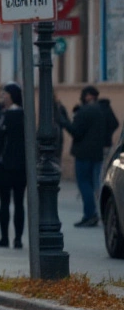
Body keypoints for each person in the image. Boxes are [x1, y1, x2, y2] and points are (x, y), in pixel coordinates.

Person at [60, 85, 119, 227]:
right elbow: (114, 124)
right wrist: (105, 139)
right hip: (97, 152)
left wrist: (64, 122)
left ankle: (90, 215)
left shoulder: (85, 111)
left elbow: (76, 131)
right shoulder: (102, 109)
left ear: (88, 96)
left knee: (85, 184)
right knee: (96, 184)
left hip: (84, 154)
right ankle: (97, 213)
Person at [0, 83, 27, 248]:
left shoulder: (6, 116)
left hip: (6, 164)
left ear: (11, 96)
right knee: (19, 202)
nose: (2, 98)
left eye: (4, 95)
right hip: (21, 165)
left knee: (5, 202)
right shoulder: (25, 115)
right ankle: (18, 238)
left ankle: (5, 237)